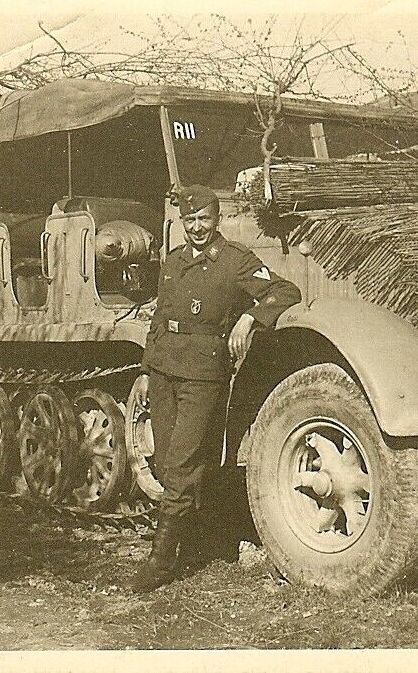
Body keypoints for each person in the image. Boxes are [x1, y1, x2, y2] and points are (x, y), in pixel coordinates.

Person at [130, 184, 302, 593]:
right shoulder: (172, 262)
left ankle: (160, 562)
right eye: (189, 221)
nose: (197, 228)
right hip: (164, 370)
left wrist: (250, 319)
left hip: (203, 374)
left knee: (185, 462)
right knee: (170, 462)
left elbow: (285, 291)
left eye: (203, 219)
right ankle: (197, 543)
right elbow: (160, 316)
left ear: (216, 219)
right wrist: (147, 369)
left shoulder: (234, 260)